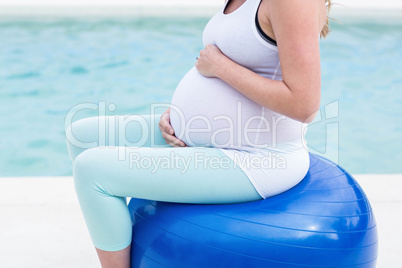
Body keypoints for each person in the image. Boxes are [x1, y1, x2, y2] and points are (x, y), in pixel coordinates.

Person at [66, 0, 331, 267]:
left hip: (256, 159)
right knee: (82, 137)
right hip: (203, 137)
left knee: (92, 171)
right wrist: (182, 114)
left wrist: (221, 68)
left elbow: (304, 105)